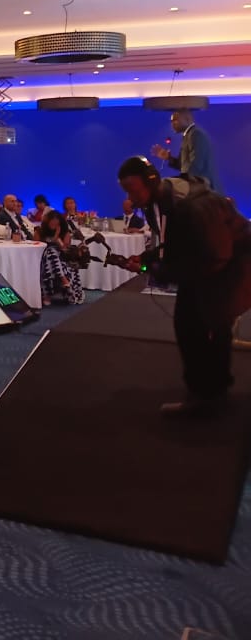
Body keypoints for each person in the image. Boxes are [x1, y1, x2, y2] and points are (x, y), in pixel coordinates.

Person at [118, 156, 251, 417]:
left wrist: (158, 270)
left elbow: (212, 257)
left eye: (133, 190)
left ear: (151, 181)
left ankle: (206, 396)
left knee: (202, 325)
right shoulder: (166, 200)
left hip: (229, 266)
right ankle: (212, 391)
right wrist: (148, 259)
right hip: (215, 262)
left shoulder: (191, 207)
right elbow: (178, 244)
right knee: (200, 325)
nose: (131, 199)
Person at [151, 108, 220, 193]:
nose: (172, 124)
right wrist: (169, 158)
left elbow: (196, 166)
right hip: (199, 191)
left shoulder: (196, 134)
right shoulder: (188, 135)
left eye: (175, 120)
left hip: (206, 192)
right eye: (171, 121)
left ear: (187, 119)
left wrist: (179, 183)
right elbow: (184, 166)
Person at [37, 210, 84, 307]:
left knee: (53, 257)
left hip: (60, 258)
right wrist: (55, 237)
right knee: (50, 252)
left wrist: (58, 239)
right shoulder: (40, 231)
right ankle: (64, 280)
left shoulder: (65, 232)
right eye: (52, 221)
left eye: (56, 221)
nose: (54, 223)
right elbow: (36, 245)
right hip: (43, 257)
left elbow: (64, 248)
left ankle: (47, 295)